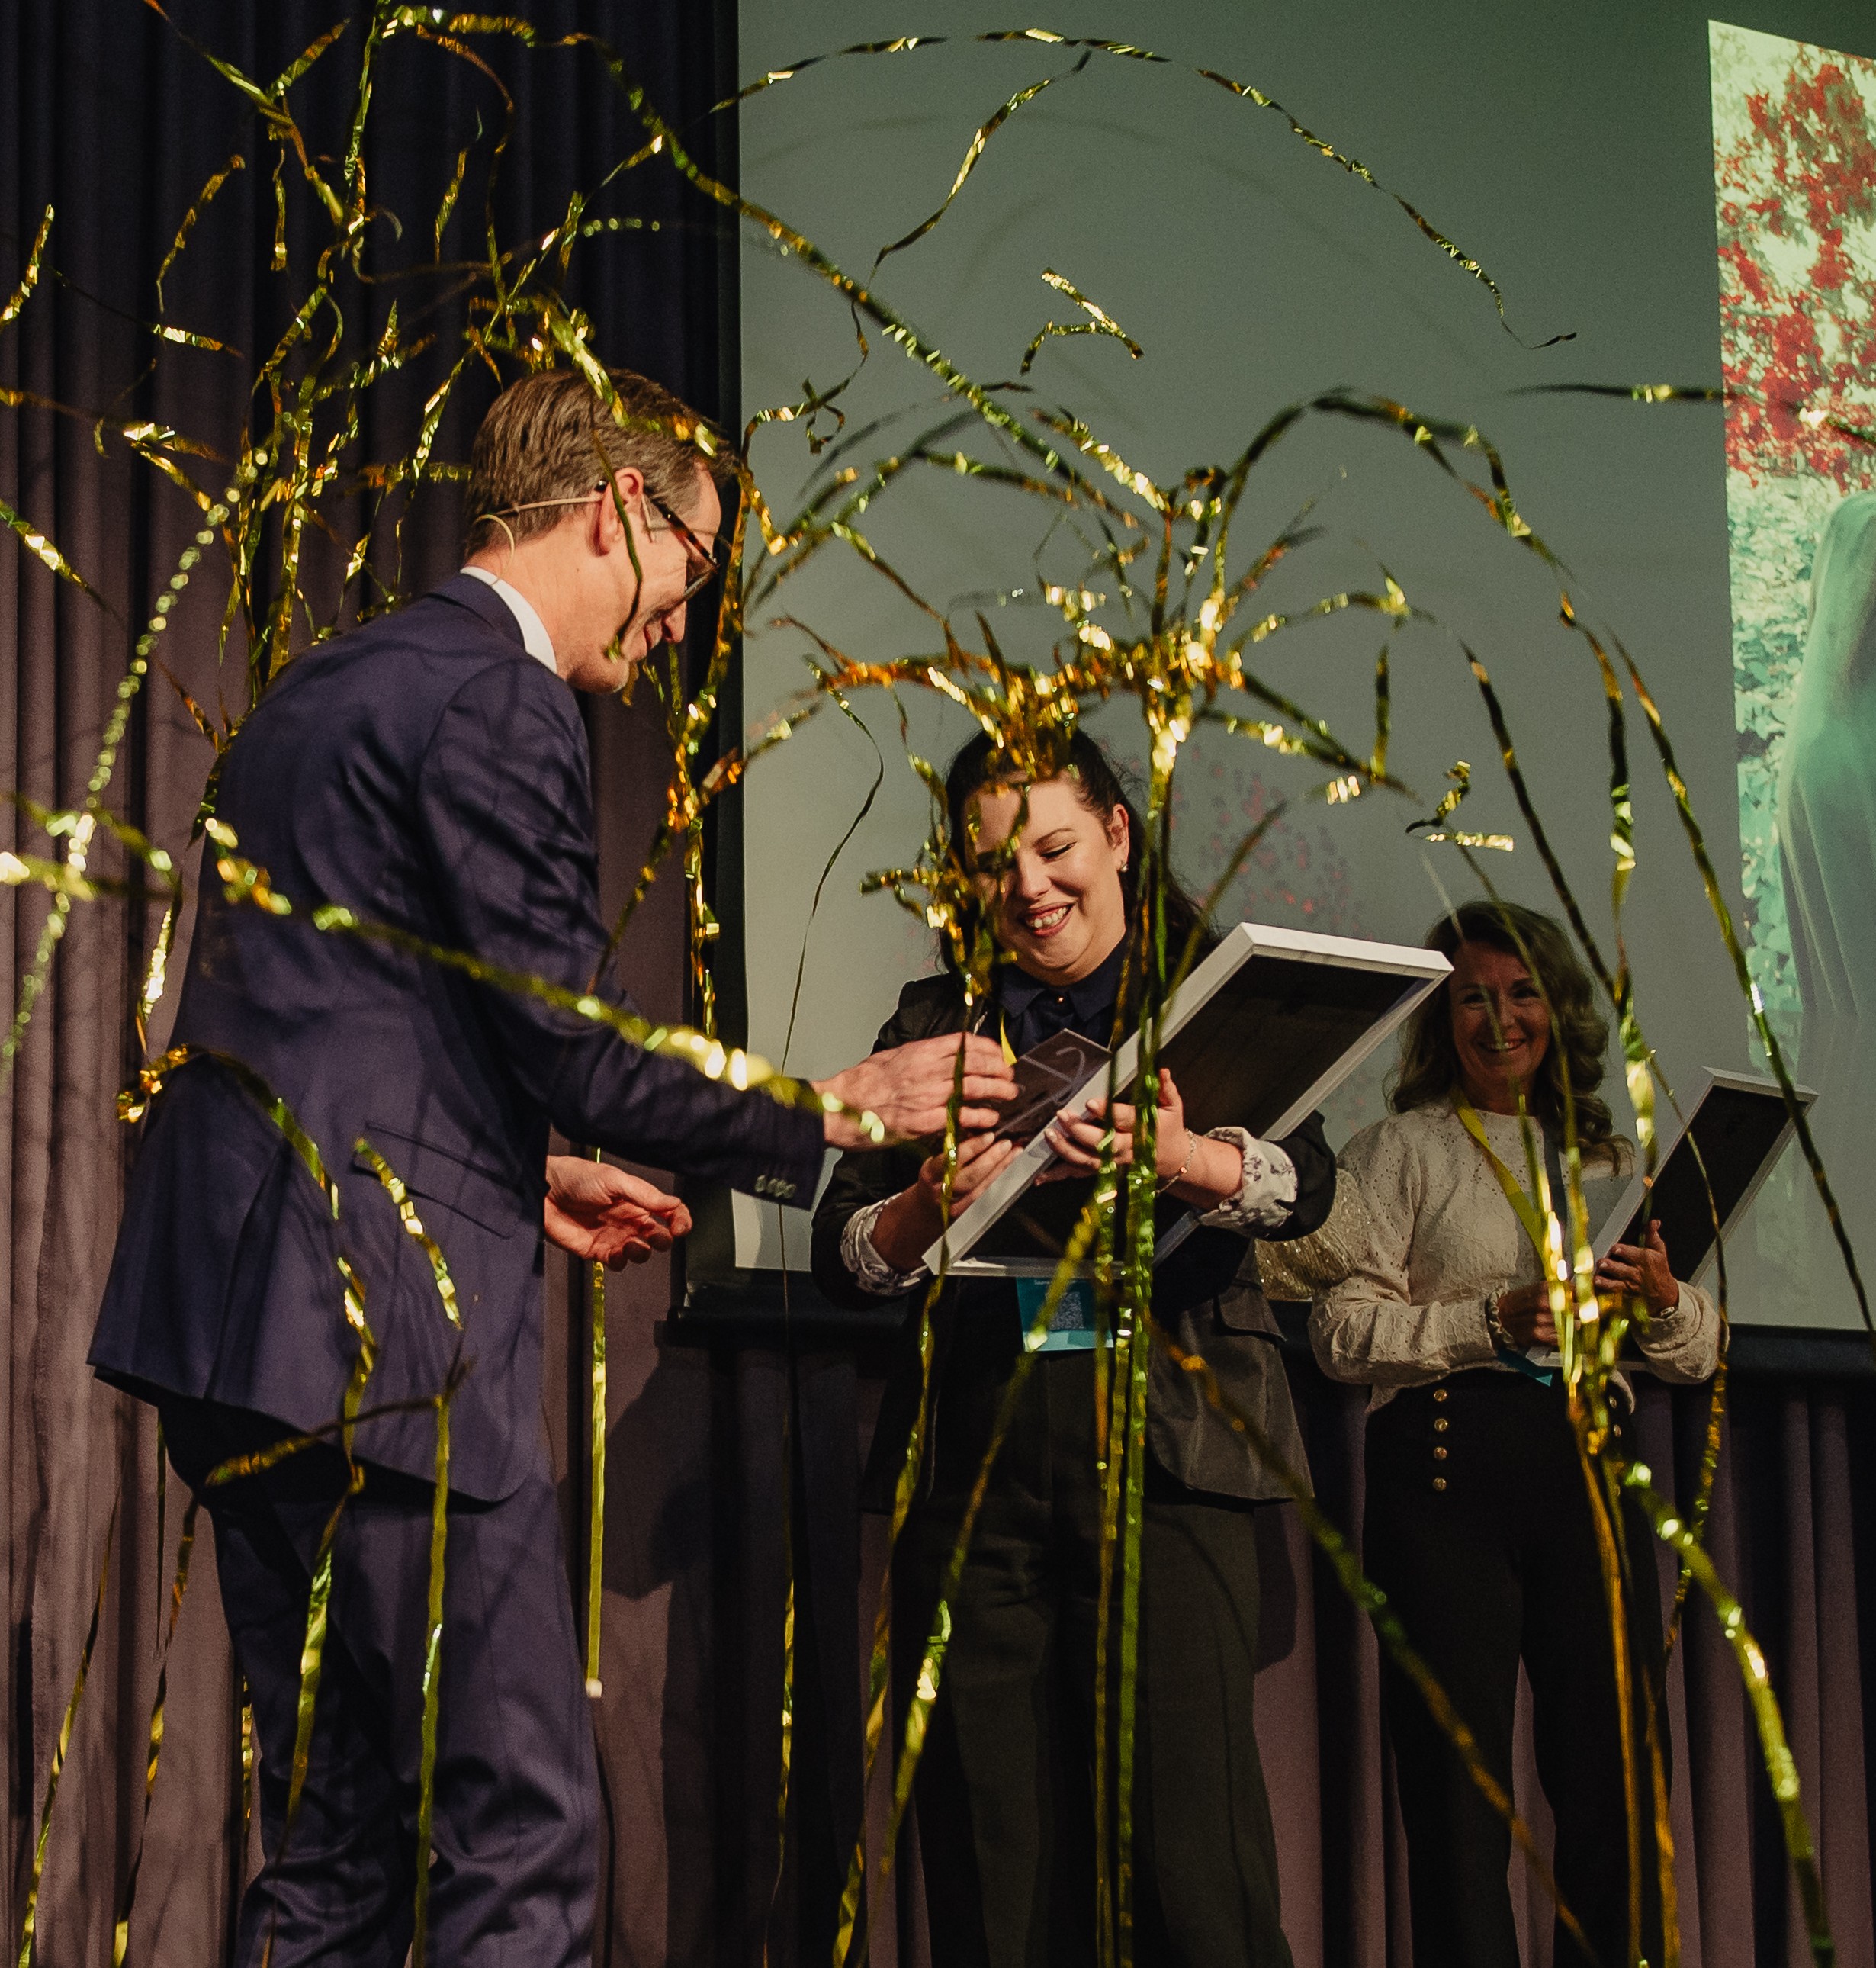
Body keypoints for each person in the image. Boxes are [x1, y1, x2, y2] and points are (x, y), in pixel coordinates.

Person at [88, 365, 1016, 1968]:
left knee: (337, 1846)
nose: (685, 623)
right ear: (621, 509)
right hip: (390, 1355)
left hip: (235, 1344)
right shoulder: (501, 698)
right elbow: (575, 1041)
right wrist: (833, 1111)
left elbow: (328, 1018)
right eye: (697, 568)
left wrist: (524, 1175)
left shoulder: (319, 687)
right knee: (518, 1834)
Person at [810, 731, 1334, 1968]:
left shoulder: (1211, 988)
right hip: (978, 1449)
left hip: (1172, 1449)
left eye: (1055, 848)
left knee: (1193, 1862)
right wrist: (926, 1206)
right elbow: (846, 1254)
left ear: (1118, 834)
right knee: (991, 1856)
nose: (1031, 888)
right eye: (996, 864)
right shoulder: (937, 1020)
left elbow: (1310, 1186)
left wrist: (1190, 1159)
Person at [1309, 899, 1720, 1968]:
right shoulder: (1399, 1149)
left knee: (1619, 1784)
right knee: (1458, 1799)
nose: (1500, 1021)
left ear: (1559, 1007)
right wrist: (1488, 1321)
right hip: (1445, 1475)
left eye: (1523, 993)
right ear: (1438, 1020)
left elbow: (1695, 1357)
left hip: (1592, 1470)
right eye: (1472, 1000)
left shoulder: (1611, 1160)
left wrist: (1665, 1301)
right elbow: (1340, 1334)